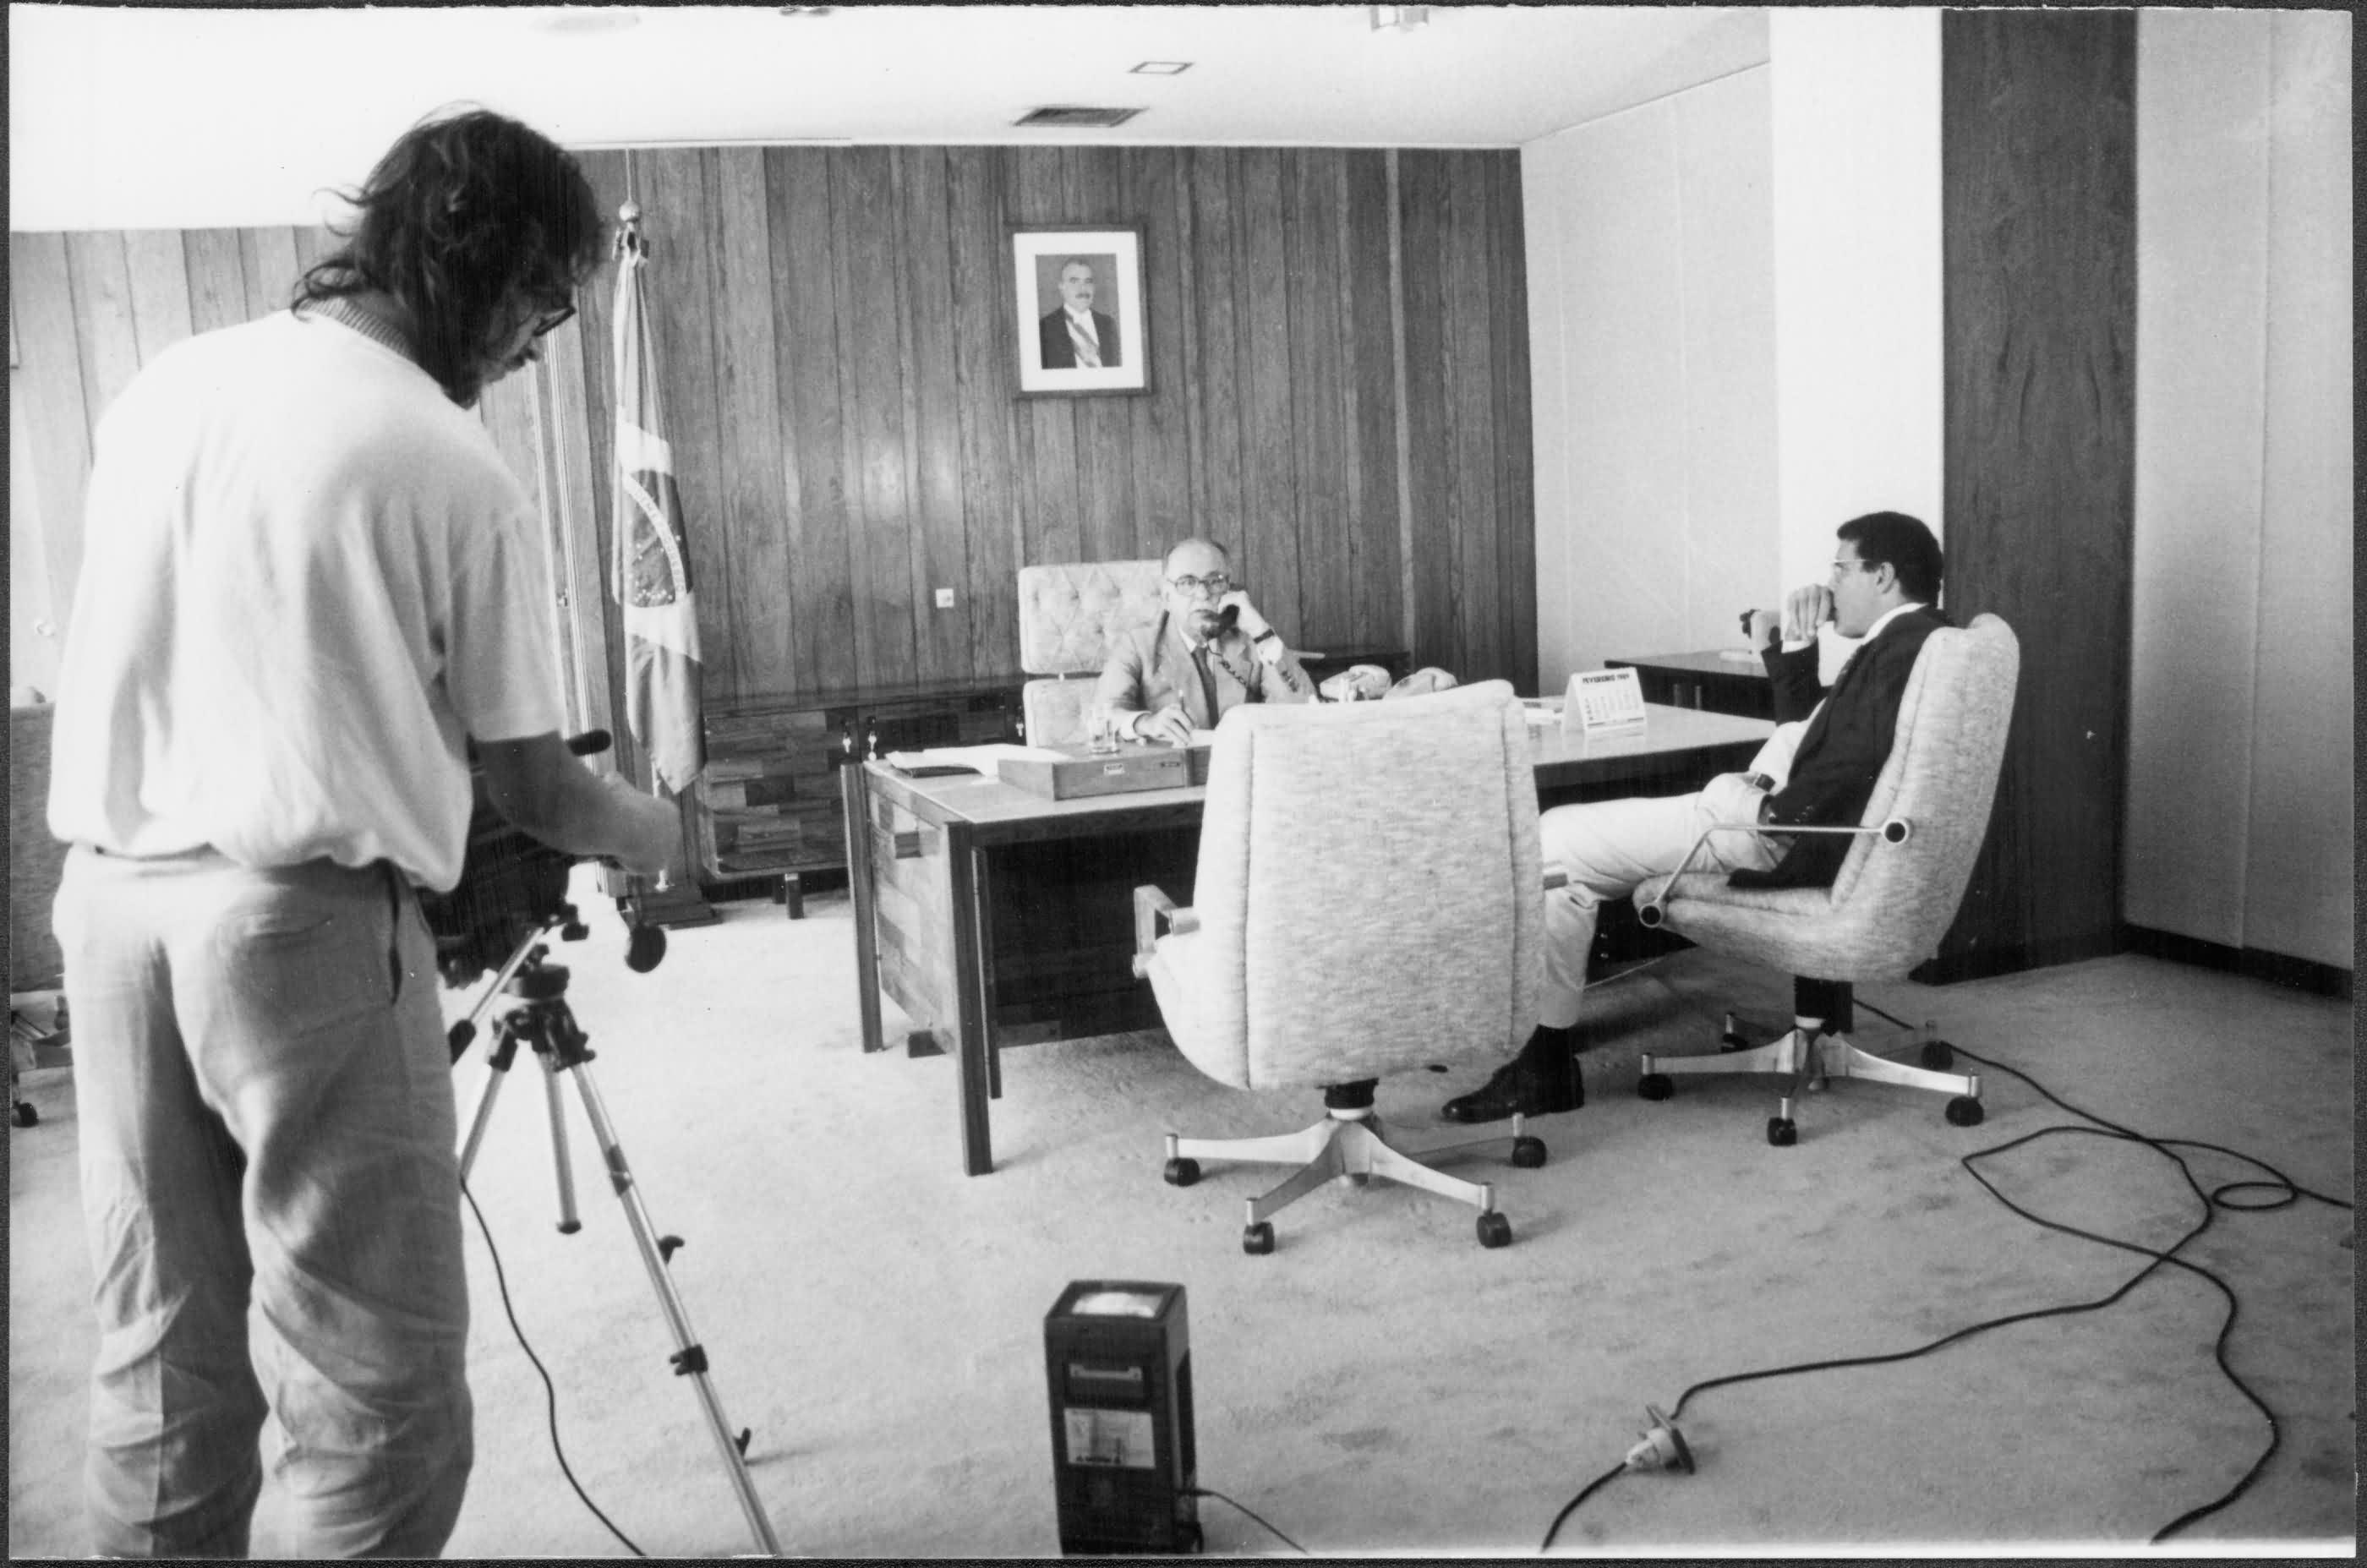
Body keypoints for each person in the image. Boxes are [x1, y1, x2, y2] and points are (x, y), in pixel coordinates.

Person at [44, 107, 681, 1558]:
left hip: (110, 912)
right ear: (484, 261)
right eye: (543, 305)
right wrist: (653, 825)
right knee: (377, 1406)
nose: (535, 347)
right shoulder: (447, 460)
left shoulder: (166, 383)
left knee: (162, 1362)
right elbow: (536, 789)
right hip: (292, 933)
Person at [1440, 511, 1951, 1123]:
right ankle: (1546, 1046)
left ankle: (1544, 1070)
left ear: (1883, 575)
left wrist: (1764, 811)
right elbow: (1815, 738)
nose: (1830, 584)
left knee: (1554, 842)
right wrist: (1794, 643)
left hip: (1767, 832)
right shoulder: (1920, 642)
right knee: (1574, 834)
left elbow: (1848, 765)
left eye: (1840, 569)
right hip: (1780, 820)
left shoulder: (1900, 650)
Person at [1096, 538, 1315, 745]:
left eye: (1214, 581)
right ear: (1166, 597)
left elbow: (1305, 708)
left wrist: (1261, 632)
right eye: (1187, 582)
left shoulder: (1251, 638)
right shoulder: (1138, 644)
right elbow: (1102, 715)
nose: (1202, 594)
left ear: (1229, 588)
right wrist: (1145, 723)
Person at [1038, 257, 1121, 369]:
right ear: (1061, 286)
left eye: (1088, 281)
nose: (1083, 289)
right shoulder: (1045, 327)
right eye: (1074, 281)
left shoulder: (1108, 324)